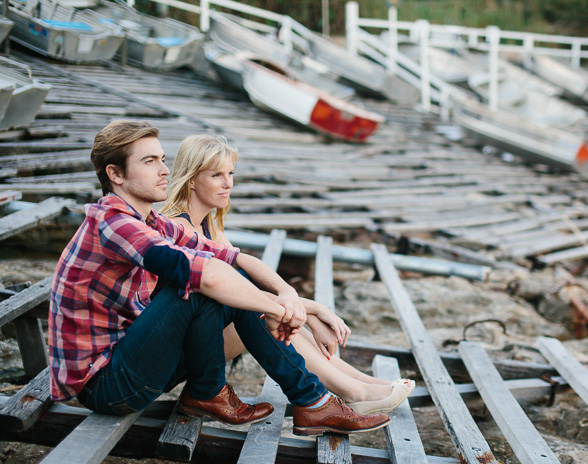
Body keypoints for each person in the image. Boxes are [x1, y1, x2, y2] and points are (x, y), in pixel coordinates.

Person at [48, 120, 390, 436]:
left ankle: (290, 400)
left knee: (228, 278)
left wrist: (285, 295)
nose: (165, 170)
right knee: (200, 286)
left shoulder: (152, 222)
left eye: (163, 159)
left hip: (138, 362)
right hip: (106, 385)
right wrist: (278, 310)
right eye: (150, 161)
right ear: (116, 174)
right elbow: (207, 277)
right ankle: (310, 402)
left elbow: (234, 258)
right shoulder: (112, 222)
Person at [160, 133, 415, 416]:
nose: (228, 183)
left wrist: (309, 313)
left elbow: (247, 288)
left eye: (230, 173)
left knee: (274, 311)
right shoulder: (177, 229)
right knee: (262, 313)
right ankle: (353, 392)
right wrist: (315, 310)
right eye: (216, 175)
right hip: (173, 357)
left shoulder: (209, 224)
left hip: (199, 343)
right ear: (192, 178)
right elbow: (242, 294)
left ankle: (361, 384)